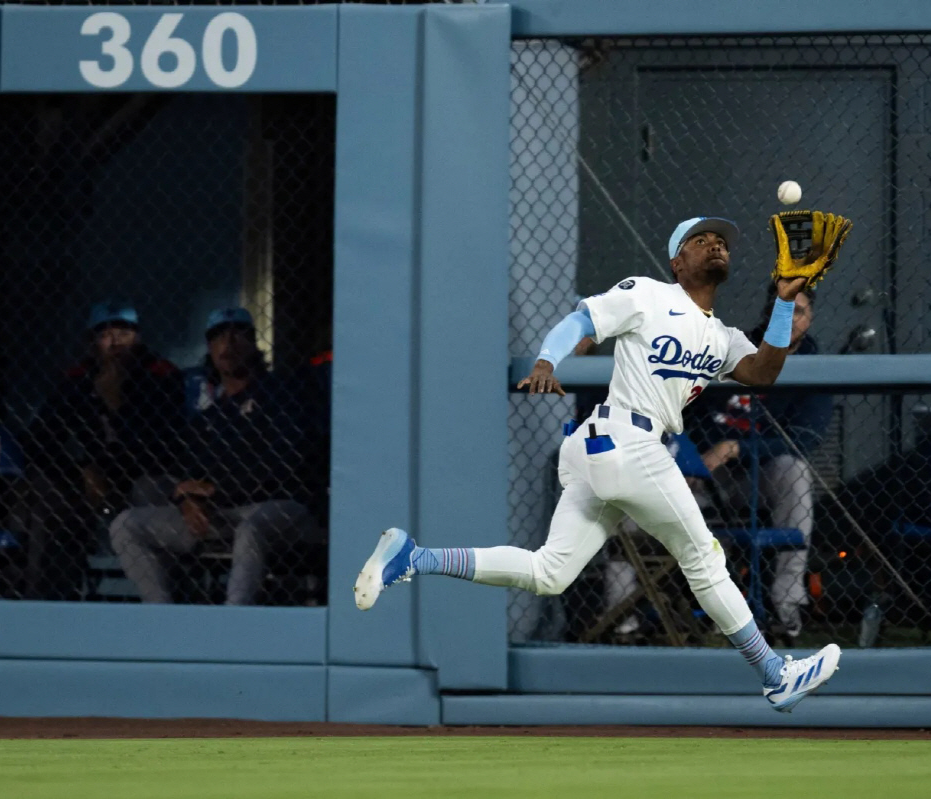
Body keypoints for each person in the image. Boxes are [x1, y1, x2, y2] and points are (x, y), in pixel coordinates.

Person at [355, 213, 852, 711]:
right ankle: (773, 673)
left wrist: (785, 302)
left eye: (721, 241)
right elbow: (581, 321)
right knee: (703, 556)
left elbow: (762, 372)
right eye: (701, 240)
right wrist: (548, 361)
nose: (715, 245)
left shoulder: (721, 336)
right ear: (678, 262)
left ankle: (413, 558)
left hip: (607, 450)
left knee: (549, 573)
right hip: (624, 439)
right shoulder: (649, 293)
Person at [109, 308, 317, 605]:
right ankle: (162, 617)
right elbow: (189, 469)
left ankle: (233, 621)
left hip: (280, 509)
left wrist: (213, 491)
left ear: (253, 343)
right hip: (220, 512)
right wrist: (185, 497)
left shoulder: (280, 395)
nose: (228, 343)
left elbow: (281, 466)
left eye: (238, 334)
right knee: (125, 524)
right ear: (209, 347)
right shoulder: (211, 414)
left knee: (250, 529)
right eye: (219, 336)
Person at [691, 286, 833, 643]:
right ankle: (639, 615)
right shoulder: (731, 349)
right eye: (780, 310)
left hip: (762, 476)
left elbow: (803, 440)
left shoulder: (816, 368)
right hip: (708, 472)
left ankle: (786, 606)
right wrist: (701, 455)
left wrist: (737, 447)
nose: (788, 320)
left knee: (795, 470)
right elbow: (690, 412)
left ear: (810, 318)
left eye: (798, 312)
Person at [20, 302, 183, 600]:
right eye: (104, 334)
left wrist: (116, 406)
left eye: (123, 331)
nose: (114, 341)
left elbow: (163, 447)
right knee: (47, 493)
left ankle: (161, 594)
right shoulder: (77, 378)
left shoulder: (162, 376)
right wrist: (81, 465)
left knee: (149, 490)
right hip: (90, 476)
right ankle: (48, 597)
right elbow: (39, 440)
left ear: (138, 336)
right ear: (93, 341)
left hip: (144, 471)